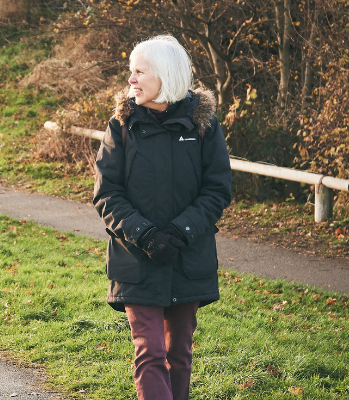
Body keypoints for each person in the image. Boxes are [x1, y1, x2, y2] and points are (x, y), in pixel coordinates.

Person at [93, 35, 232, 400]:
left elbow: (217, 190)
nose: (131, 80)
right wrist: (147, 235)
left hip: (189, 259)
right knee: (150, 353)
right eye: (130, 72)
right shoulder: (121, 126)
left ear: (165, 75)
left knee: (179, 355)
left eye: (139, 71)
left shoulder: (205, 126)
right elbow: (106, 193)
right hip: (136, 259)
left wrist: (179, 232)